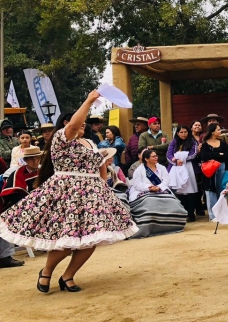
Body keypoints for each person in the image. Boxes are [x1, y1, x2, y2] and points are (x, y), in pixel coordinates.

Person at [0, 90, 137, 292]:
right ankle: (46, 272)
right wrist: (90, 100)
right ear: (66, 123)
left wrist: (103, 188)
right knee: (66, 241)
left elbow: (100, 168)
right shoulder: (60, 138)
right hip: (67, 194)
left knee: (92, 239)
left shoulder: (89, 143)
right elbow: (73, 125)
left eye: (83, 122)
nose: (81, 124)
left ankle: (68, 276)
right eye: (77, 121)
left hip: (92, 194)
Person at [0, 146, 43, 269]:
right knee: (5, 222)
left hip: (42, 205)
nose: (34, 162)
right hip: (19, 206)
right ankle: (5, 257)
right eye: (31, 159)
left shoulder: (43, 171)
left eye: (37, 159)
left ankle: (60, 247)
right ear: (26, 160)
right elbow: (12, 195)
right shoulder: (18, 173)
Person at [128, 149, 187, 237]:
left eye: (156, 156)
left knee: (173, 202)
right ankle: (151, 225)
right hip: (144, 191)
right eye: (153, 156)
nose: (156, 158)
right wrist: (149, 187)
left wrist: (159, 187)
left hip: (160, 189)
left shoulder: (161, 168)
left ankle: (174, 224)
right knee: (149, 201)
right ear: (146, 159)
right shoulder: (139, 170)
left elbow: (166, 180)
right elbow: (137, 184)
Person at [167, 125, 200, 221]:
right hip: (176, 167)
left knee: (190, 191)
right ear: (177, 133)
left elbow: (193, 154)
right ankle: (183, 213)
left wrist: (182, 158)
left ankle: (191, 213)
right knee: (179, 191)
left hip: (189, 167)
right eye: (181, 132)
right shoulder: (174, 142)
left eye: (185, 132)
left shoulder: (193, 142)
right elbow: (169, 155)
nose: (183, 134)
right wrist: (176, 161)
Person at [201, 123, 228, 221]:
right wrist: (218, 154)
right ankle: (213, 215)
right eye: (218, 129)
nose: (220, 131)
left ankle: (222, 213)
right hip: (210, 168)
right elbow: (204, 156)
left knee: (221, 189)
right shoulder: (205, 144)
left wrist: (213, 155)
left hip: (221, 167)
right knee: (210, 190)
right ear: (212, 131)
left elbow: (227, 155)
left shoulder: (222, 142)